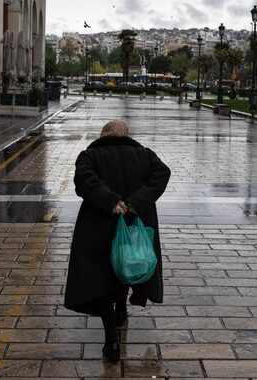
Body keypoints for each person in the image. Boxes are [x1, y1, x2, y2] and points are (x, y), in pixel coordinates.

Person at [64, 119, 171, 364]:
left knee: (103, 277)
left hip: (98, 226)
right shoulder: (145, 155)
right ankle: (121, 311)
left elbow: (84, 179)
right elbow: (162, 173)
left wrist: (110, 200)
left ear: (104, 135)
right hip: (135, 226)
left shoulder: (89, 155)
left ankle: (111, 342)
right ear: (126, 136)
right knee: (126, 267)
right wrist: (136, 202)